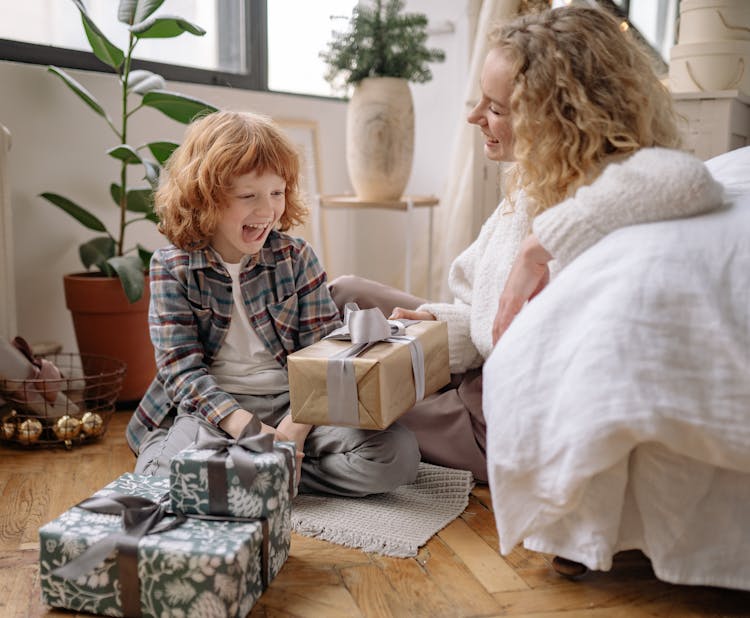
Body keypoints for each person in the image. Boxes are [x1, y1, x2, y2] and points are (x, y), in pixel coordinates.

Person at [329, 6, 723, 489]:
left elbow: (689, 179)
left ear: (556, 118)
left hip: (496, 409)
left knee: (345, 405)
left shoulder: (613, 184)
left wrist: (541, 244)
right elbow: (484, 316)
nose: (476, 117)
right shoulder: (531, 179)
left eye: (495, 108)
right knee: (343, 293)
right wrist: (434, 324)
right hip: (474, 361)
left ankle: (286, 414)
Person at [127, 110, 420, 497]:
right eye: (248, 196)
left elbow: (324, 355)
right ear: (205, 198)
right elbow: (181, 371)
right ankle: (259, 473)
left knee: (397, 456)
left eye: (277, 193)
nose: (267, 211)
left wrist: (292, 434)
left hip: (296, 404)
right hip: (215, 409)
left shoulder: (296, 257)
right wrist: (246, 429)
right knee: (154, 483)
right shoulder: (172, 266)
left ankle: (250, 476)